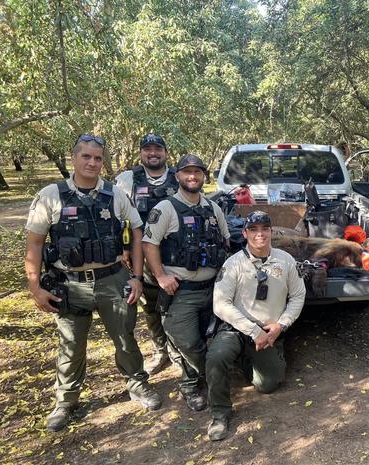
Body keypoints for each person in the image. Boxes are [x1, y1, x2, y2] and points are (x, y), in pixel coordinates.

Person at [24, 133, 162, 433]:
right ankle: (66, 401)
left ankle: (137, 385)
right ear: (73, 157)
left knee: (125, 338)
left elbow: (137, 233)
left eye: (98, 158)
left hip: (112, 280)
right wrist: (35, 288)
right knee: (71, 345)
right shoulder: (51, 195)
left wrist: (137, 277)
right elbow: (34, 243)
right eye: (86, 156)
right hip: (69, 284)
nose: (92, 162)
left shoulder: (115, 194)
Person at [206, 211, 306, 441]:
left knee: (267, 385)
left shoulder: (286, 260)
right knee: (216, 357)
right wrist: (252, 331)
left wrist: (281, 325)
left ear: (272, 232)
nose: (259, 234)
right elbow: (220, 304)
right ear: (245, 233)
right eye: (253, 230)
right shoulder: (233, 263)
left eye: (264, 229)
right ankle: (220, 413)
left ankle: (252, 358)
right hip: (237, 329)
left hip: (270, 331)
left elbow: (298, 296)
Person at [142, 154, 229, 411]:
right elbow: (149, 244)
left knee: (211, 339)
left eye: (198, 172)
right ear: (177, 176)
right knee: (188, 342)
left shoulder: (213, 208)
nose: (193, 176)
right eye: (187, 172)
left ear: (204, 176)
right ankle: (199, 382)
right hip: (182, 292)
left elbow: (225, 240)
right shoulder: (166, 209)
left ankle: (193, 382)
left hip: (213, 288)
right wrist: (160, 276)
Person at [115, 133, 179, 375]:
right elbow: (118, 217)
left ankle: (177, 351)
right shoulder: (127, 179)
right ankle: (160, 350)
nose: (153, 153)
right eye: (148, 149)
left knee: (175, 304)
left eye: (158, 149)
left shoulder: (177, 177)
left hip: (174, 255)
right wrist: (123, 249)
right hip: (140, 256)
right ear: (141, 152)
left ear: (165, 152)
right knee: (150, 307)